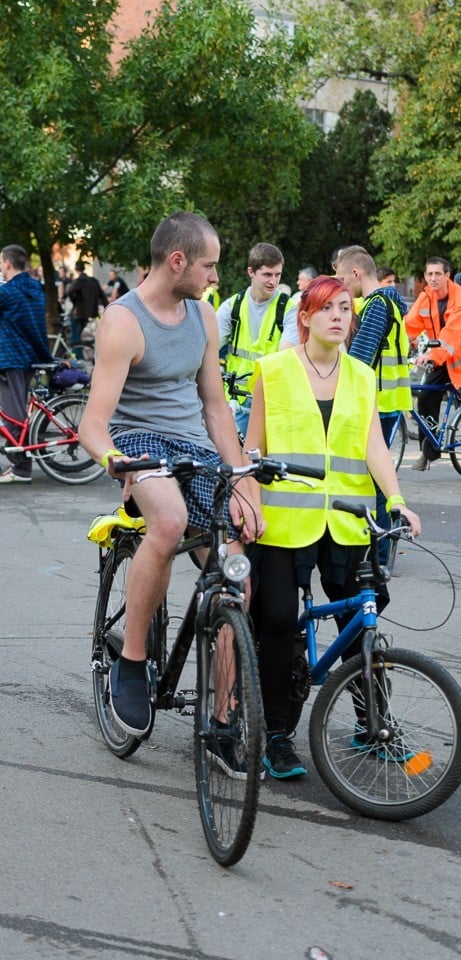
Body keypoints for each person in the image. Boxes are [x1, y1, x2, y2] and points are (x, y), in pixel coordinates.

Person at [78, 211, 263, 749]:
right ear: (177, 261)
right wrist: (113, 459)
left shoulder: (204, 318)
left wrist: (244, 480)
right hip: (137, 440)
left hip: (193, 446)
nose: (213, 277)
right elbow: (93, 422)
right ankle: (132, 664)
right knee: (170, 520)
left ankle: (222, 717)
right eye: (209, 266)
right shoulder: (124, 320)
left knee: (236, 571)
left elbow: (215, 408)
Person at [244, 275, 421, 778]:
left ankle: (376, 725)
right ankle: (276, 736)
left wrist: (397, 501)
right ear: (305, 317)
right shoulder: (272, 370)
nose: (339, 317)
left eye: (345, 308)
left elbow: (374, 449)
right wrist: (251, 504)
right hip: (284, 521)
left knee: (360, 621)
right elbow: (251, 448)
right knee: (277, 621)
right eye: (328, 309)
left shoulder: (362, 376)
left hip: (347, 519)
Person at [335, 248, 412, 556]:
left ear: (356, 274)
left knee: (376, 479)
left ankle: (381, 550)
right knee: (374, 475)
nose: (341, 284)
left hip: (377, 402)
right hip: (386, 400)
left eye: (342, 277)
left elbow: (360, 360)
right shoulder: (381, 301)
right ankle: (380, 544)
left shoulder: (377, 306)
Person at [404, 257, 461, 486]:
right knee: (425, 398)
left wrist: (430, 356)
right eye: (429, 274)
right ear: (425, 276)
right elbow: (408, 326)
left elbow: (451, 335)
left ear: (447, 275)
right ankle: (430, 450)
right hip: (442, 359)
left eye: (437, 274)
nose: (433, 278)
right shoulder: (425, 298)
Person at [215, 242, 298, 434]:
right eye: (267, 275)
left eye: (278, 275)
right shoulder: (232, 307)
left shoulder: (289, 308)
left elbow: (284, 356)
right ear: (251, 272)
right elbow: (207, 349)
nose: (273, 281)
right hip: (235, 401)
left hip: (272, 402)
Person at [0, 245, 52, 483]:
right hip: (28, 358)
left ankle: (21, 468)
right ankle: (19, 462)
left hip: (9, 359)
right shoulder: (35, 288)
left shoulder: (8, 292)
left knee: (12, 415)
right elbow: (34, 327)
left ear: (8, 264)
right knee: (17, 411)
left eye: (1, 262)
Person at [68, 261, 108, 357]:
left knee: (75, 336)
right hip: (89, 313)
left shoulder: (78, 282)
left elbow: (70, 291)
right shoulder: (93, 281)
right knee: (80, 334)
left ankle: (77, 357)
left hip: (79, 312)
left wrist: (75, 304)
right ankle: (80, 354)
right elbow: (103, 297)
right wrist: (109, 309)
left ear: (76, 269)